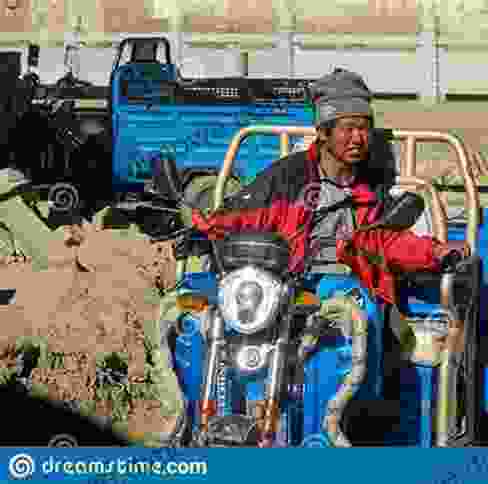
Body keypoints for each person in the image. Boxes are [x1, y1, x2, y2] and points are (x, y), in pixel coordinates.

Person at [155, 68, 468, 443]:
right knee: (194, 314)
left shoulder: (372, 184)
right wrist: (204, 228)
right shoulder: (288, 178)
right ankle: (189, 420)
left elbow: (387, 241)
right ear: (323, 132)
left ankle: (339, 427)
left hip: (348, 292)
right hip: (283, 291)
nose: (358, 137)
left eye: (364, 127)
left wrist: (435, 252)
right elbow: (246, 213)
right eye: (347, 127)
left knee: (362, 324)